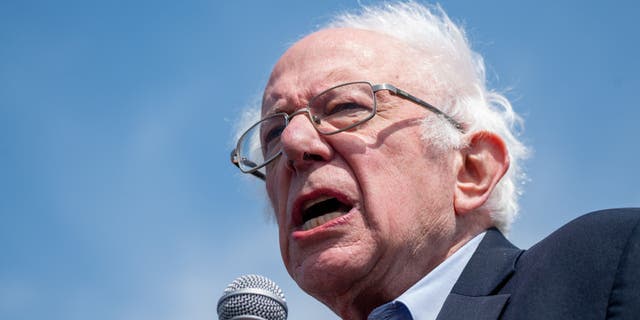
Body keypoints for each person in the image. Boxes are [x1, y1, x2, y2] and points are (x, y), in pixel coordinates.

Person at [230, 2, 639, 319]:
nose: (294, 141)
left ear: (471, 171)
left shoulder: (609, 264)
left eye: (345, 108)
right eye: (271, 135)